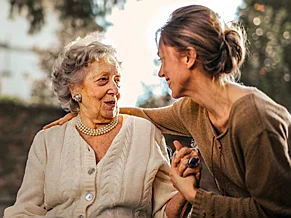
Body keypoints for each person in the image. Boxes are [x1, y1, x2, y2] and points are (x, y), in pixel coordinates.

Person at [43, 4, 291, 218]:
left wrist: (192, 194)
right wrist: (86, 112)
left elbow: (276, 211)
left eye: (163, 59)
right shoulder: (193, 110)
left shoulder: (254, 118)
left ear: (188, 57)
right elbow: (145, 115)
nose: (161, 72)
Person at [4, 32, 198, 218]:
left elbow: (165, 213)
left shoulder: (145, 133)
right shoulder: (47, 141)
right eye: (103, 80)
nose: (114, 89)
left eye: (117, 80)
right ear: (74, 89)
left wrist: (184, 191)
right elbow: (25, 211)